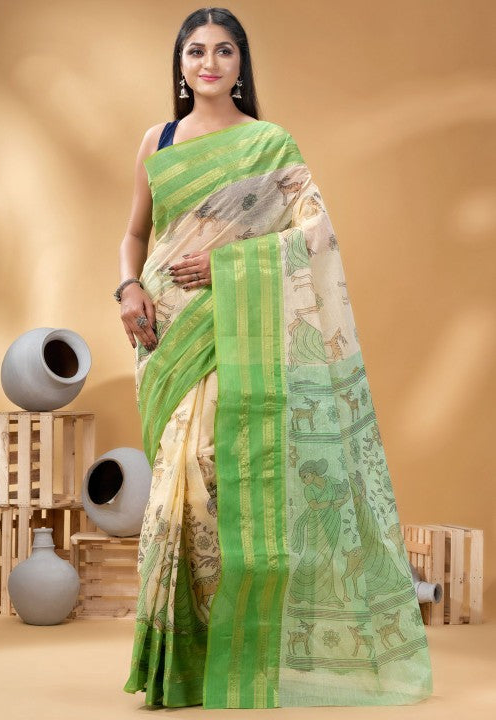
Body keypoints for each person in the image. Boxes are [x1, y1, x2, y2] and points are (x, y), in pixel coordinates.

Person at [116, 6, 433, 710]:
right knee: (174, 488)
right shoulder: (157, 141)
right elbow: (135, 234)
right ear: (180, 64)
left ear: (241, 64)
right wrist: (128, 287)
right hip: (166, 334)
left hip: (239, 329)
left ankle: (239, 656)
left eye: (224, 51)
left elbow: (316, 235)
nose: (209, 63)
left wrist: (227, 263)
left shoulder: (269, 143)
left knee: (219, 478)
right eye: (196, 51)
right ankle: (180, 664)